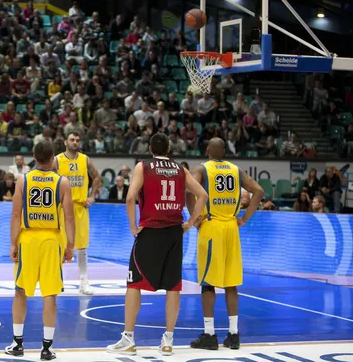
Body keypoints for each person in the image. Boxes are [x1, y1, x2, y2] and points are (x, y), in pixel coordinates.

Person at [107, 133, 208, 356]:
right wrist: (191, 222)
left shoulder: (143, 167)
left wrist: (134, 228)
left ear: (150, 148)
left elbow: (130, 197)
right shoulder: (181, 169)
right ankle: (168, 340)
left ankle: (128, 339)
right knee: (173, 287)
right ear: (169, 149)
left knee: (134, 285)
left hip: (150, 231)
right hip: (174, 233)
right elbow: (202, 195)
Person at [187, 137, 263, 350]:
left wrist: (194, 220)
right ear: (224, 151)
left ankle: (210, 335)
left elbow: (188, 192)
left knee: (208, 283)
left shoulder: (202, 169)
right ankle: (234, 334)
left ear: (208, 149)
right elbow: (259, 191)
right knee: (231, 282)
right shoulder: (236, 170)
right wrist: (244, 218)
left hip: (211, 227)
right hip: (232, 227)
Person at [4, 140, 75, 361]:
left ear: (34, 158)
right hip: (52, 240)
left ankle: (17, 343)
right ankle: (46, 348)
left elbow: (16, 214)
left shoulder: (22, 179)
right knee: (49, 294)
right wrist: (70, 245)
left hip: (28, 238)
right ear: (53, 158)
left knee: (20, 291)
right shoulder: (62, 182)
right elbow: (70, 217)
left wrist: (14, 243)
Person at [54, 132, 102, 295]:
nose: (75, 142)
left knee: (82, 247)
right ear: (65, 142)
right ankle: (57, 280)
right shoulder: (57, 160)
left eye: (77, 140)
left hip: (80, 207)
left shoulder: (85, 159)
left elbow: (96, 177)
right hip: (62, 208)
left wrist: (91, 195)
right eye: (72, 140)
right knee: (60, 245)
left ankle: (84, 282)